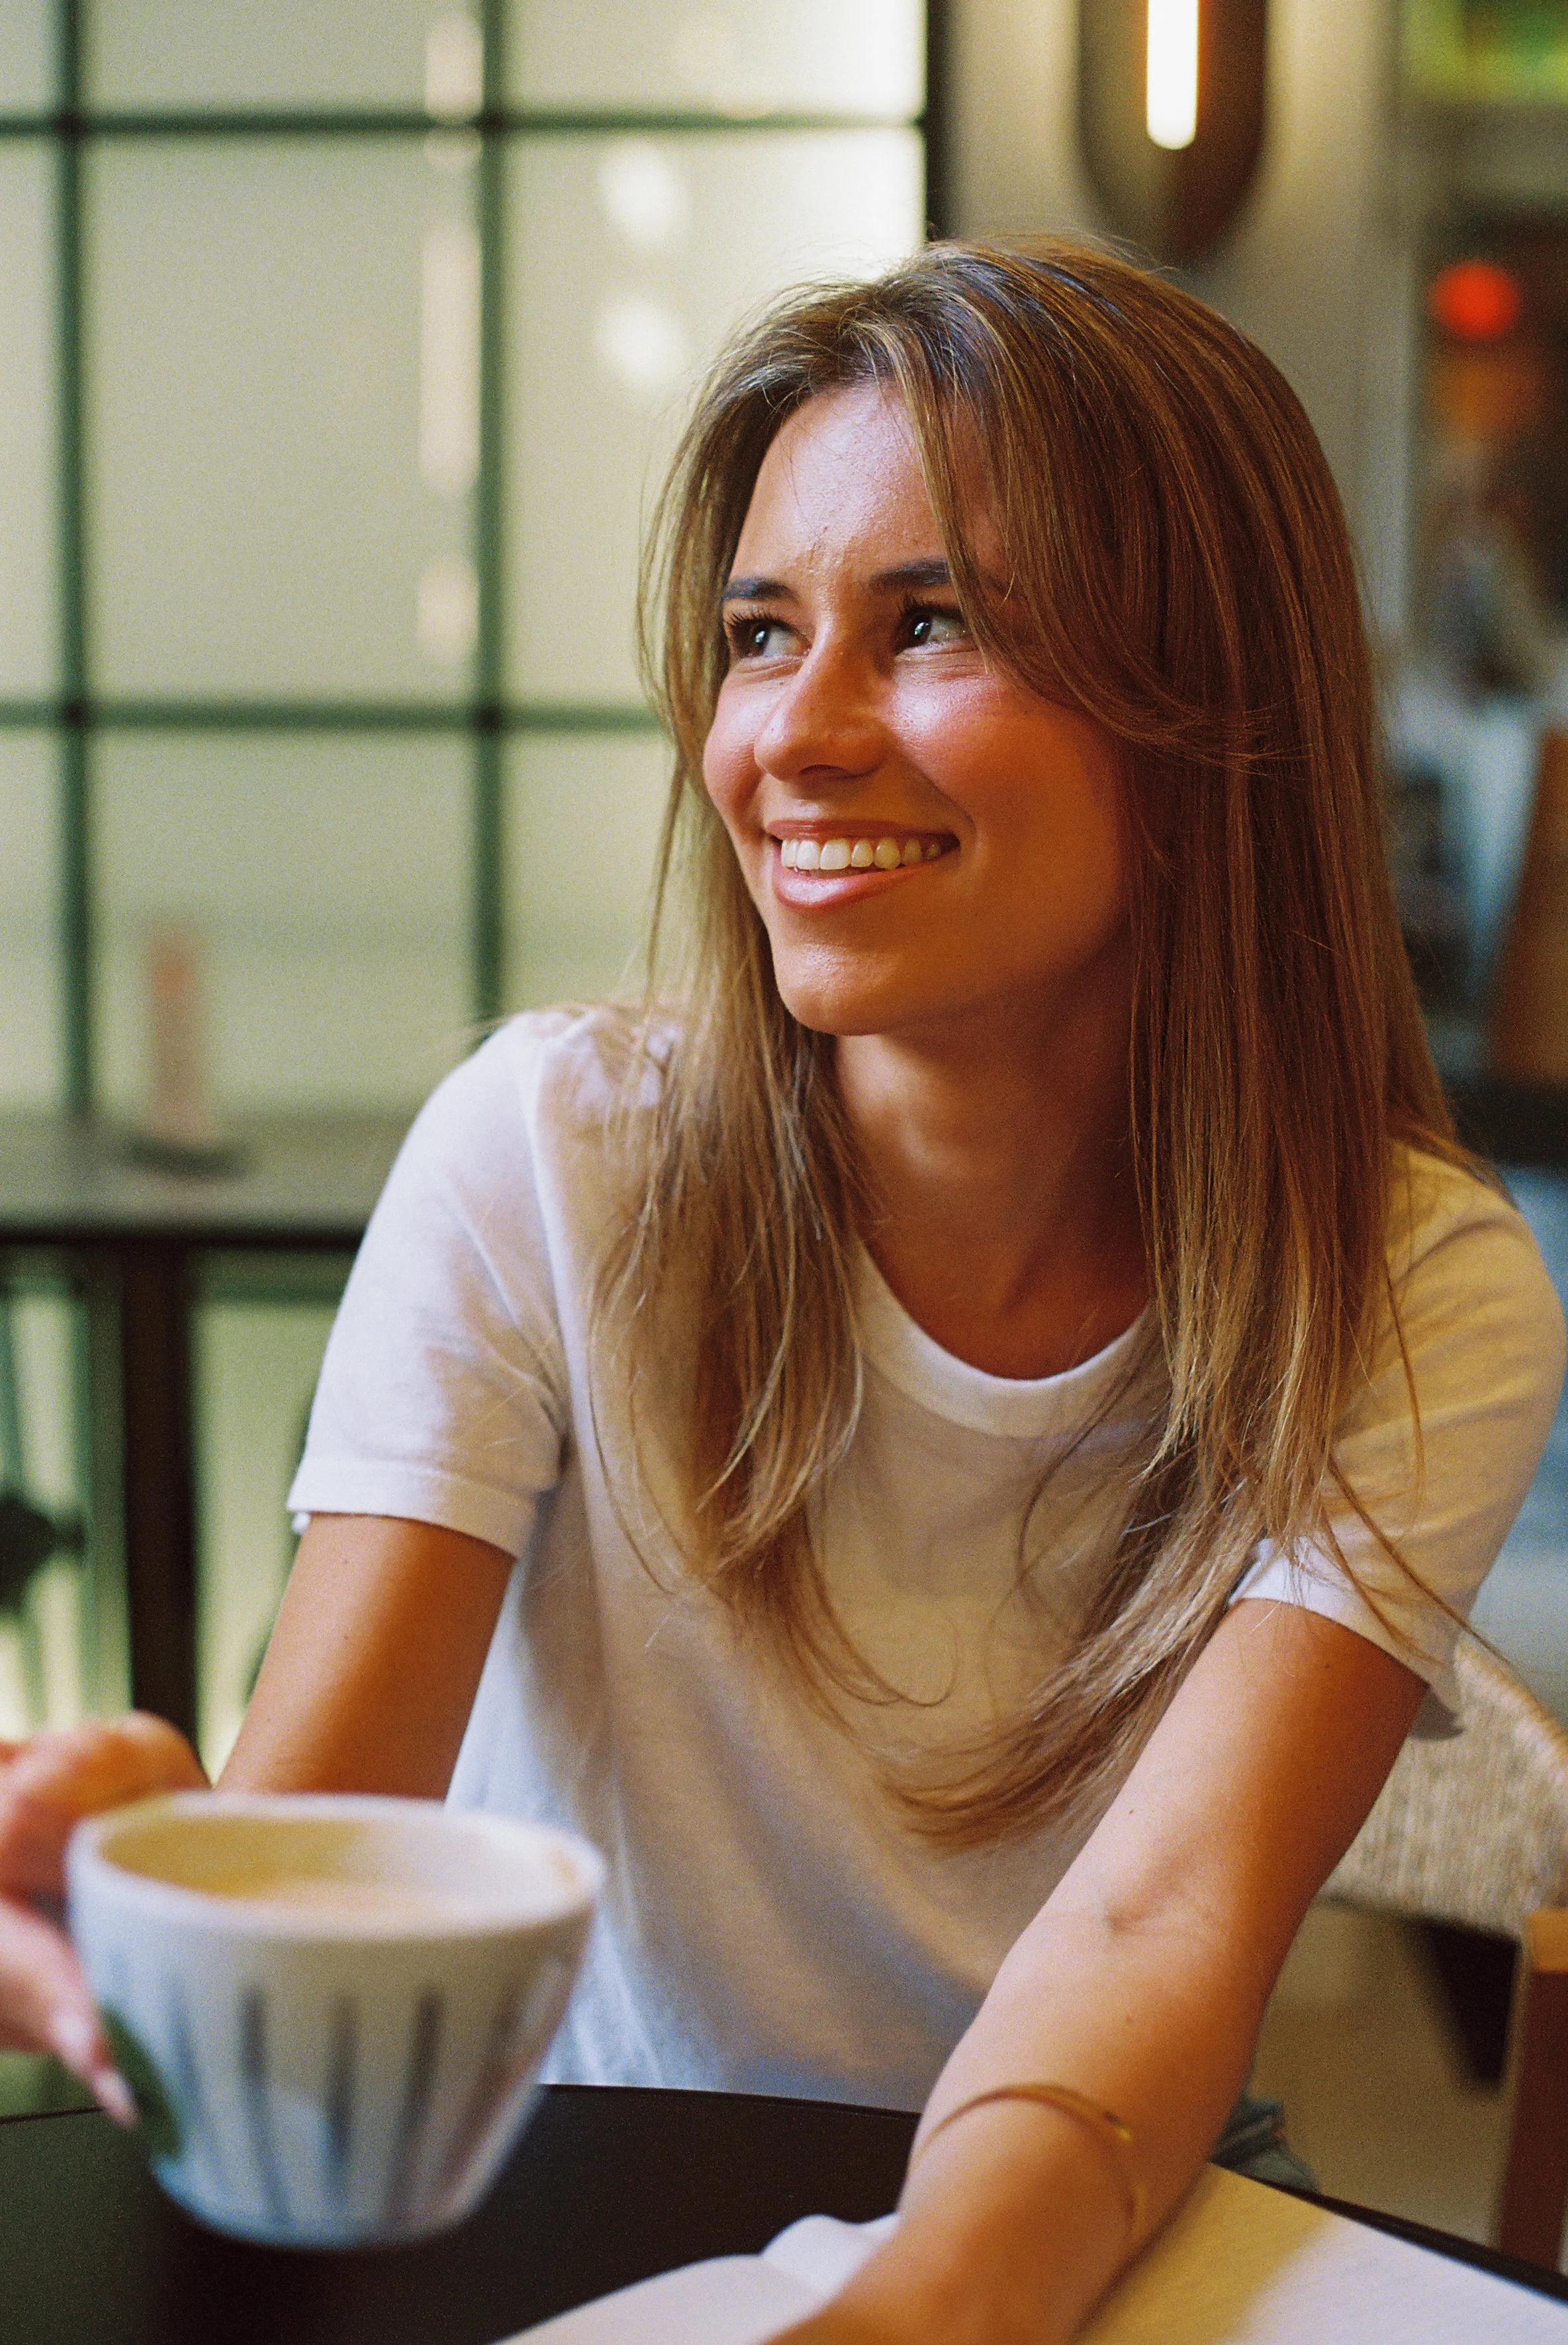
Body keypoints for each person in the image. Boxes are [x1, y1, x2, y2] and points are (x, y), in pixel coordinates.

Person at [2, 239, 1563, 2344]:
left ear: (1214, 717)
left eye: (933, 623)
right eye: (760, 634)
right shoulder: (548, 1151)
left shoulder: (1406, 1278)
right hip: (574, 2174)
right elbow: (327, 1829)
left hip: (1095, 2175)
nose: (794, 737)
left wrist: (905, 2312)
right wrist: (142, 1897)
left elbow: (1161, 1925)